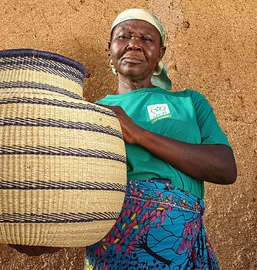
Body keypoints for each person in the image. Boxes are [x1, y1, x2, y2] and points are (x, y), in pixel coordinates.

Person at [84, 8, 237, 269]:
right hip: (114, 242)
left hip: (179, 243)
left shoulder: (189, 102)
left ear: (160, 53)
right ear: (110, 48)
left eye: (146, 39)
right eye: (124, 36)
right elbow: (78, 189)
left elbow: (225, 168)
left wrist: (138, 134)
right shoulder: (92, 114)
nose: (134, 44)